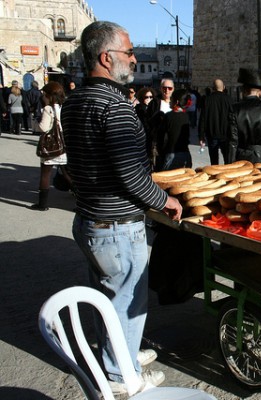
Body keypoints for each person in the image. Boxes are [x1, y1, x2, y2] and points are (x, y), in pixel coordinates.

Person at [61, 20, 182, 394]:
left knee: (107, 298)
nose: (133, 58)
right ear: (105, 57)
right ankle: (121, 376)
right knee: (126, 302)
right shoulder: (115, 106)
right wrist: (166, 201)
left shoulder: (75, 100)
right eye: (128, 52)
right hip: (115, 226)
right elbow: (132, 176)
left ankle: (119, 355)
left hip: (90, 220)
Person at [29, 82, 71, 211]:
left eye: (44, 93)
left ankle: (42, 204)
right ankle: (82, 200)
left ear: (49, 95)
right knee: (67, 174)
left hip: (51, 146)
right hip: (62, 145)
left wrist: (34, 122)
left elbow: (43, 127)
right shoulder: (65, 106)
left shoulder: (48, 109)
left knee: (45, 174)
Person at [227, 68, 261, 164]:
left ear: (244, 90)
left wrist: (230, 164)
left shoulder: (235, 109)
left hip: (242, 159)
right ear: (260, 91)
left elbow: (232, 141)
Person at [154, 88, 192, 171]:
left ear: (177, 102)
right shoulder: (186, 116)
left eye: (172, 99)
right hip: (185, 154)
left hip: (171, 154)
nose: (170, 101)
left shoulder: (168, 116)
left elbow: (161, 137)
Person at [200, 78, 232, 164]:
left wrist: (201, 136)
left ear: (212, 88)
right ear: (224, 87)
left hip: (211, 134)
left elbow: (203, 119)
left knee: (214, 161)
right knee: (227, 159)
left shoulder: (207, 100)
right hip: (226, 134)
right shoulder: (229, 99)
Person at [134, 87, 160, 166]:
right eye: (146, 97)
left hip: (151, 139)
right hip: (141, 138)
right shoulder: (138, 109)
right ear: (142, 98)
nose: (149, 99)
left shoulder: (155, 109)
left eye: (151, 97)